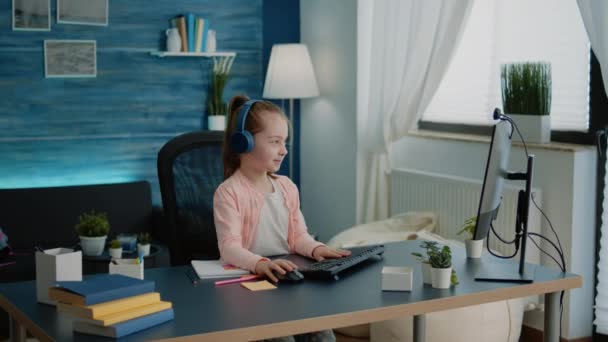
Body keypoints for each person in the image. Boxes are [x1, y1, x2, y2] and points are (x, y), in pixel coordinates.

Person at [213, 95, 350, 342]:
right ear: (244, 143)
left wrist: (317, 249)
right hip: (251, 282)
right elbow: (229, 247)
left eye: (284, 141)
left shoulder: (287, 186)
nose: (284, 150)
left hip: (287, 278)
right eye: (275, 141)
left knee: (323, 331)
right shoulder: (229, 192)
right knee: (281, 337)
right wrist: (261, 263)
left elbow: (298, 236)